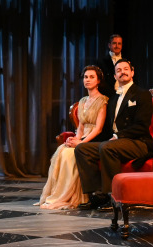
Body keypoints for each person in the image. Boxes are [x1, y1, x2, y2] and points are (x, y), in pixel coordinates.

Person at [75, 59, 153, 211]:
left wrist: (118, 136)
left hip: (138, 142)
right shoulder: (113, 99)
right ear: (115, 76)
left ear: (132, 72)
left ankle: (113, 197)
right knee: (82, 149)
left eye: (126, 69)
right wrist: (81, 140)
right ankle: (97, 196)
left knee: (107, 147)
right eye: (118, 70)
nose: (122, 72)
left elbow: (142, 125)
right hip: (115, 142)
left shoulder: (142, 94)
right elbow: (105, 129)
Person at [37, 65, 108, 209]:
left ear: (98, 80)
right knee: (62, 151)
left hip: (94, 139)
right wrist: (75, 138)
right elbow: (81, 127)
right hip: (82, 137)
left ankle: (73, 195)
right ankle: (59, 194)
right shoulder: (82, 101)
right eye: (85, 77)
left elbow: (99, 128)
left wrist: (81, 142)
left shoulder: (103, 101)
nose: (88, 80)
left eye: (91, 77)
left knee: (70, 154)